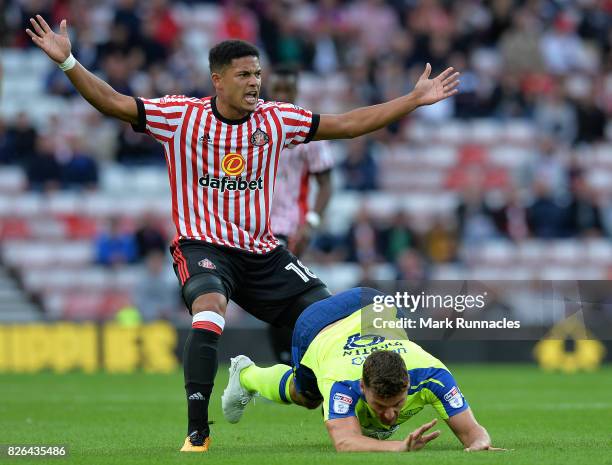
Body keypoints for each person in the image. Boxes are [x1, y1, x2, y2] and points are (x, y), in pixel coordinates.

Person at [26, 15, 460, 452]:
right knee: (210, 309)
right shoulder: (181, 117)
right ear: (218, 79)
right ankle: (198, 433)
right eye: (244, 75)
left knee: (334, 331)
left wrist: (411, 100)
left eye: (258, 74)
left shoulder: (276, 120)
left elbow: (347, 124)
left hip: (263, 252)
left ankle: (264, 381)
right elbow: (115, 103)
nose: (255, 83)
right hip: (203, 246)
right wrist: (69, 64)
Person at [222, 288, 503, 453]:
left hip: (374, 304)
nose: (391, 415)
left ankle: (363, 415)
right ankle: (245, 373)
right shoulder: (339, 379)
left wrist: (480, 443)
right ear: (361, 387)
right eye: (380, 405)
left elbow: (473, 432)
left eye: (398, 404)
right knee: (306, 397)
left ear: (408, 383)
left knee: (364, 425)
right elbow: (344, 442)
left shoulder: (432, 373)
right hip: (320, 324)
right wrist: (399, 446)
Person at [267, 66, 334, 364]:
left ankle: (291, 363)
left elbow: (326, 183)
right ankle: (290, 364)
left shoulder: (308, 129)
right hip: (256, 225)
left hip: (290, 226)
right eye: (276, 90)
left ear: (296, 92)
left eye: (287, 91)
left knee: (281, 295)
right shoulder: (254, 125)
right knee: (273, 298)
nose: (281, 97)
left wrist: (311, 223)